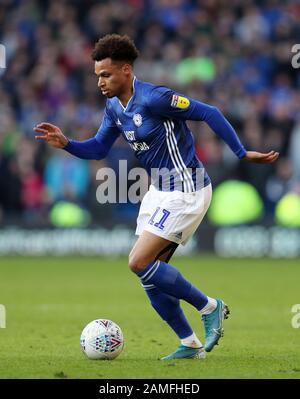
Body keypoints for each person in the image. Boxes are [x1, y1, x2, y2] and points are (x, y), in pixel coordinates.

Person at [34, 34, 279, 360]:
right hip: (159, 191)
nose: (100, 83)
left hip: (187, 188)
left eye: (105, 75)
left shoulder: (155, 98)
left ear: (125, 70)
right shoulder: (113, 108)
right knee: (150, 277)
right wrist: (67, 144)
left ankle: (210, 307)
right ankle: (190, 344)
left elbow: (209, 112)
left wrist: (241, 151)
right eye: (97, 76)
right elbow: (98, 148)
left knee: (138, 262)